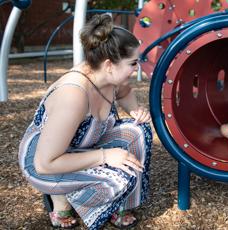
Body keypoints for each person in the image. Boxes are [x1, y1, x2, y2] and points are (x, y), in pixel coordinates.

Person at [18, 14, 152, 229]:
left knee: (137, 131)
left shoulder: (108, 76)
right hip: (45, 163)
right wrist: (107, 156)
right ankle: (60, 197)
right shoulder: (74, 95)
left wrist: (135, 110)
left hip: (80, 149)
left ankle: (119, 206)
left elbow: (126, 92)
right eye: (133, 63)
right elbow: (44, 163)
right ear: (109, 64)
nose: (137, 68)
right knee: (119, 179)